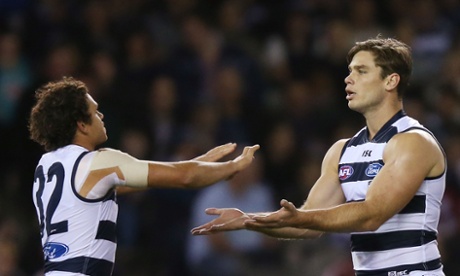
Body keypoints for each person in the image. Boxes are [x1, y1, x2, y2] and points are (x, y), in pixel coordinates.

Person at [192, 37, 447, 276]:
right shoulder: (342, 150)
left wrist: (301, 217)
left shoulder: (414, 141)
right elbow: (305, 223)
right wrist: (249, 220)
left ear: (391, 81)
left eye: (361, 71)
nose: (348, 79)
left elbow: (372, 215)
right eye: (349, 71)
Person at [28, 76, 260, 275]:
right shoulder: (99, 163)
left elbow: (129, 184)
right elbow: (184, 178)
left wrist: (198, 163)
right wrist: (234, 166)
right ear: (82, 125)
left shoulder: (45, 166)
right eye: (95, 112)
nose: (101, 116)